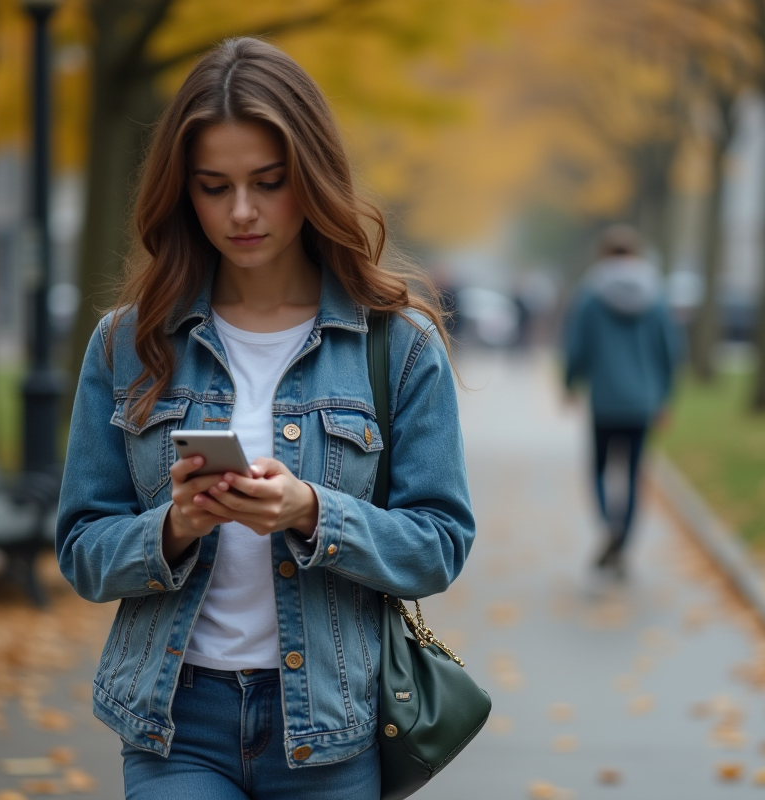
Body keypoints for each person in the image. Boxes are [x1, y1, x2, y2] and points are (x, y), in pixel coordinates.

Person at [55, 38, 474, 800]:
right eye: (214, 186)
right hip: (175, 722)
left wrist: (312, 511)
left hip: (329, 728)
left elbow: (439, 546)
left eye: (268, 183)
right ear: (183, 192)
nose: (241, 211)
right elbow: (82, 548)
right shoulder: (128, 342)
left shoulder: (397, 344)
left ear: (310, 177)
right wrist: (175, 526)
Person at [563, 224, 681, 578]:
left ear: (603, 255)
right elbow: (669, 351)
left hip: (604, 400)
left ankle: (608, 526)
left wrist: (570, 382)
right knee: (633, 474)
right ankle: (624, 540)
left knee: (599, 470)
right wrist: (665, 397)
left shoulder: (590, 295)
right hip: (643, 401)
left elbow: (577, 345)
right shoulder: (657, 296)